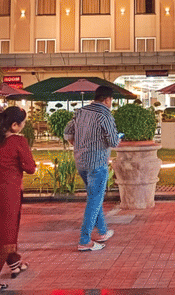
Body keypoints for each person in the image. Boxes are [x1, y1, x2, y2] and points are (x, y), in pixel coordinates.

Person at [0, 106, 36, 293]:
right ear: (14, 125)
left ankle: (15, 263)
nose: (24, 126)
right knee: (4, 234)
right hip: (8, 194)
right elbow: (30, 167)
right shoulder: (18, 141)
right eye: (23, 123)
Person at [64, 85, 121, 252]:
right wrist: (118, 139)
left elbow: (67, 133)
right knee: (94, 200)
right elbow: (113, 141)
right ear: (108, 99)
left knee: (94, 197)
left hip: (81, 161)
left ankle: (102, 231)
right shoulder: (105, 114)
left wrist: (79, 146)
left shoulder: (81, 111)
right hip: (97, 162)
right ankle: (84, 239)